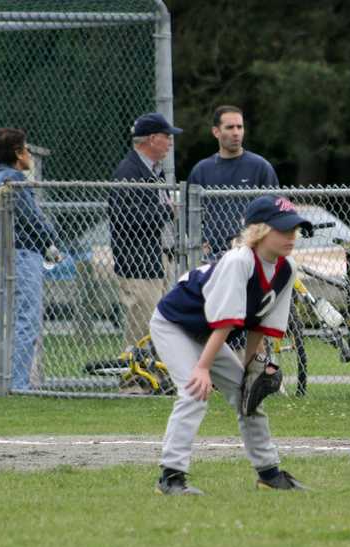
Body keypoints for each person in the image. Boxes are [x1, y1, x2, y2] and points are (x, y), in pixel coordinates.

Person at [151, 194, 313, 494]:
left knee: (248, 397)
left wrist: (251, 370)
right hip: (174, 323)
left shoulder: (286, 268)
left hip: (207, 332)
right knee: (194, 392)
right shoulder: (240, 261)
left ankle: (269, 474)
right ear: (260, 231)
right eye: (283, 229)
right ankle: (170, 478)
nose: (291, 236)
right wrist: (202, 368)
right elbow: (225, 323)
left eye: (294, 229)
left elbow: (259, 324)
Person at [0, 128, 62, 391]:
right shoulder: (13, 181)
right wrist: (52, 241)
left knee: (15, 318)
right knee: (27, 319)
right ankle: (18, 383)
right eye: (26, 149)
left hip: (9, 253)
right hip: (23, 254)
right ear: (18, 153)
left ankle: (11, 380)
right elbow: (33, 220)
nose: (29, 154)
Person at [109, 112, 182, 363]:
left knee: (161, 325)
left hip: (158, 258)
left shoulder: (154, 171)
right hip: (138, 263)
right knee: (141, 327)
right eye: (166, 136)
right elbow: (125, 217)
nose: (170, 142)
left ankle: (154, 375)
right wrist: (166, 211)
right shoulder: (129, 171)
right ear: (151, 139)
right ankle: (134, 379)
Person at [187, 105, 279, 258]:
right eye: (230, 127)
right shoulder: (201, 170)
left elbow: (276, 210)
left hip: (251, 253)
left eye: (239, 127)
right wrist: (200, 242)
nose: (236, 133)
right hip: (213, 257)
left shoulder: (261, 167)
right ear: (216, 132)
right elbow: (187, 214)